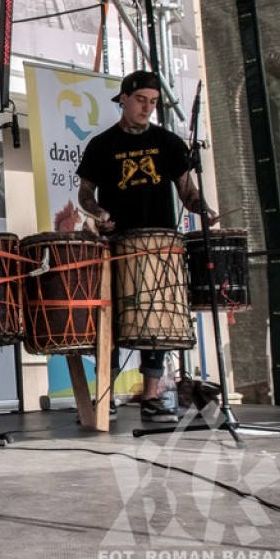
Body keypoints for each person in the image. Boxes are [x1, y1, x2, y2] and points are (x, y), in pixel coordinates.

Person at [76, 69, 217, 423]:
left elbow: (187, 192)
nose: (147, 108)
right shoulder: (102, 145)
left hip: (160, 243)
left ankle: (151, 397)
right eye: (141, 100)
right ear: (123, 99)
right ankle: (104, 395)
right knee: (110, 318)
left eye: (153, 102)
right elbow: (85, 194)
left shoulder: (168, 143)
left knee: (158, 318)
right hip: (117, 243)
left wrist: (204, 209)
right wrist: (99, 213)